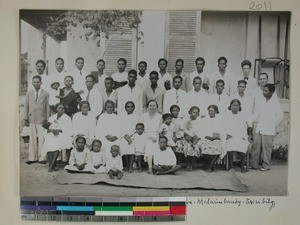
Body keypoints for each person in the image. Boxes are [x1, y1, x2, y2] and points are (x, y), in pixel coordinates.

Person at [249, 83, 284, 171]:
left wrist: (273, 124)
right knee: (256, 146)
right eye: (263, 90)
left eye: (265, 91)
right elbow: (257, 113)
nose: (263, 92)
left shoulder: (275, 103)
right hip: (259, 127)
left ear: (271, 92)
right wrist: (249, 121)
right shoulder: (262, 100)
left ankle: (266, 165)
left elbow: (280, 115)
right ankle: (254, 164)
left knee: (266, 148)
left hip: (268, 129)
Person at [24, 75, 50, 164]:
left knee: (41, 138)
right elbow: (26, 106)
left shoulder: (45, 93)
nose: (36, 84)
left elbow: (47, 106)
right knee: (32, 138)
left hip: (41, 118)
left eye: (38, 82)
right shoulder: (29, 93)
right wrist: (25, 118)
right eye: (34, 82)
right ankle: (32, 157)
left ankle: (42, 158)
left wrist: (47, 118)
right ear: (32, 83)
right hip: (32, 118)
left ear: (41, 83)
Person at [41, 103, 72, 172]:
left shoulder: (67, 118)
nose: (61, 110)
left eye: (63, 108)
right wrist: (51, 130)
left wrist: (59, 130)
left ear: (65, 110)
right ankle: (53, 165)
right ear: (56, 109)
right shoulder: (52, 117)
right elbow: (47, 127)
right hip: (52, 134)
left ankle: (51, 166)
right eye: (59, 108)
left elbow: (69, 129)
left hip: (62, 135)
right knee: (48, 142)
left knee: (57, 144)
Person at [197, 105, 225, 172]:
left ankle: (210, 166)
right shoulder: (204, 120)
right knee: (204, 146)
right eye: (209, 111)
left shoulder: (219, 120)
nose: (210, 112)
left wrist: (216, 137)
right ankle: (212, 165)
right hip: (206, 138)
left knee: (218, 146)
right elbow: (201, 130)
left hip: (216, 138)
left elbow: (222, 131)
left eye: (212, 111)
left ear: (216, 111)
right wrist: (207, 136)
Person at [224, 99, 250, 173]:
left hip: (239, 136)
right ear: (230, 106)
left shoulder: (242, 116)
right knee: (230, 144)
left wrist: (243, 136)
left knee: (242, 144)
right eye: (233, 105)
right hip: (230, 136)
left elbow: (244, 128)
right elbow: (223, 127)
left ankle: (242, 166)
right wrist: (226, 134)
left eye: (237, 105)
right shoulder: (226, 116)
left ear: (239, 107)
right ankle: (230, 166)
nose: (235, 107)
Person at [176, 106, 201, 171]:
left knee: (195, 146)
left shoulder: (199, 120)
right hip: (187, 137)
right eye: (194, 112)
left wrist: (196, 137)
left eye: (197, 112)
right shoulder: (185, 120)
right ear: (190, 112)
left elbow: (201, 131)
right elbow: (181, 130)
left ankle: (192, 164)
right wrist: (186, 135)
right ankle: (188, 163)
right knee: (188, 145)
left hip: (196, 137)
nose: (195, 114)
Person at [119, 101, 141, 172]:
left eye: (131, 107)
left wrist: (131, 136)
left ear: (134, 108)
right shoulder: (122, 116)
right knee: (123, 144)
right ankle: (127, 165)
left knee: (132, 144)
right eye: (128, 107)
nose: (130, 108)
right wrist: (125, 136)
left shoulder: (137, 116)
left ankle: (131, 165)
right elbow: (120, 127)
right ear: (125, 108)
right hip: (124, 136)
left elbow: (137, 128)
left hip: (133, 135)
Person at [142, 100, 162, 174]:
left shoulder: (160, 116)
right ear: (147, 107)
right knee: (149, 143)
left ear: (157, 107)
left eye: (154, 106)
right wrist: (149, 137)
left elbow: (160, 129)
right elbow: (140, 128)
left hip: (156, 135)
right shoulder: (143, 115)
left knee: (154, 144)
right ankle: (150, 167)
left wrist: (157, 138)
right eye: (150, 105)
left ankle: (156, 166)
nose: (152, 107)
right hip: (145, 135)